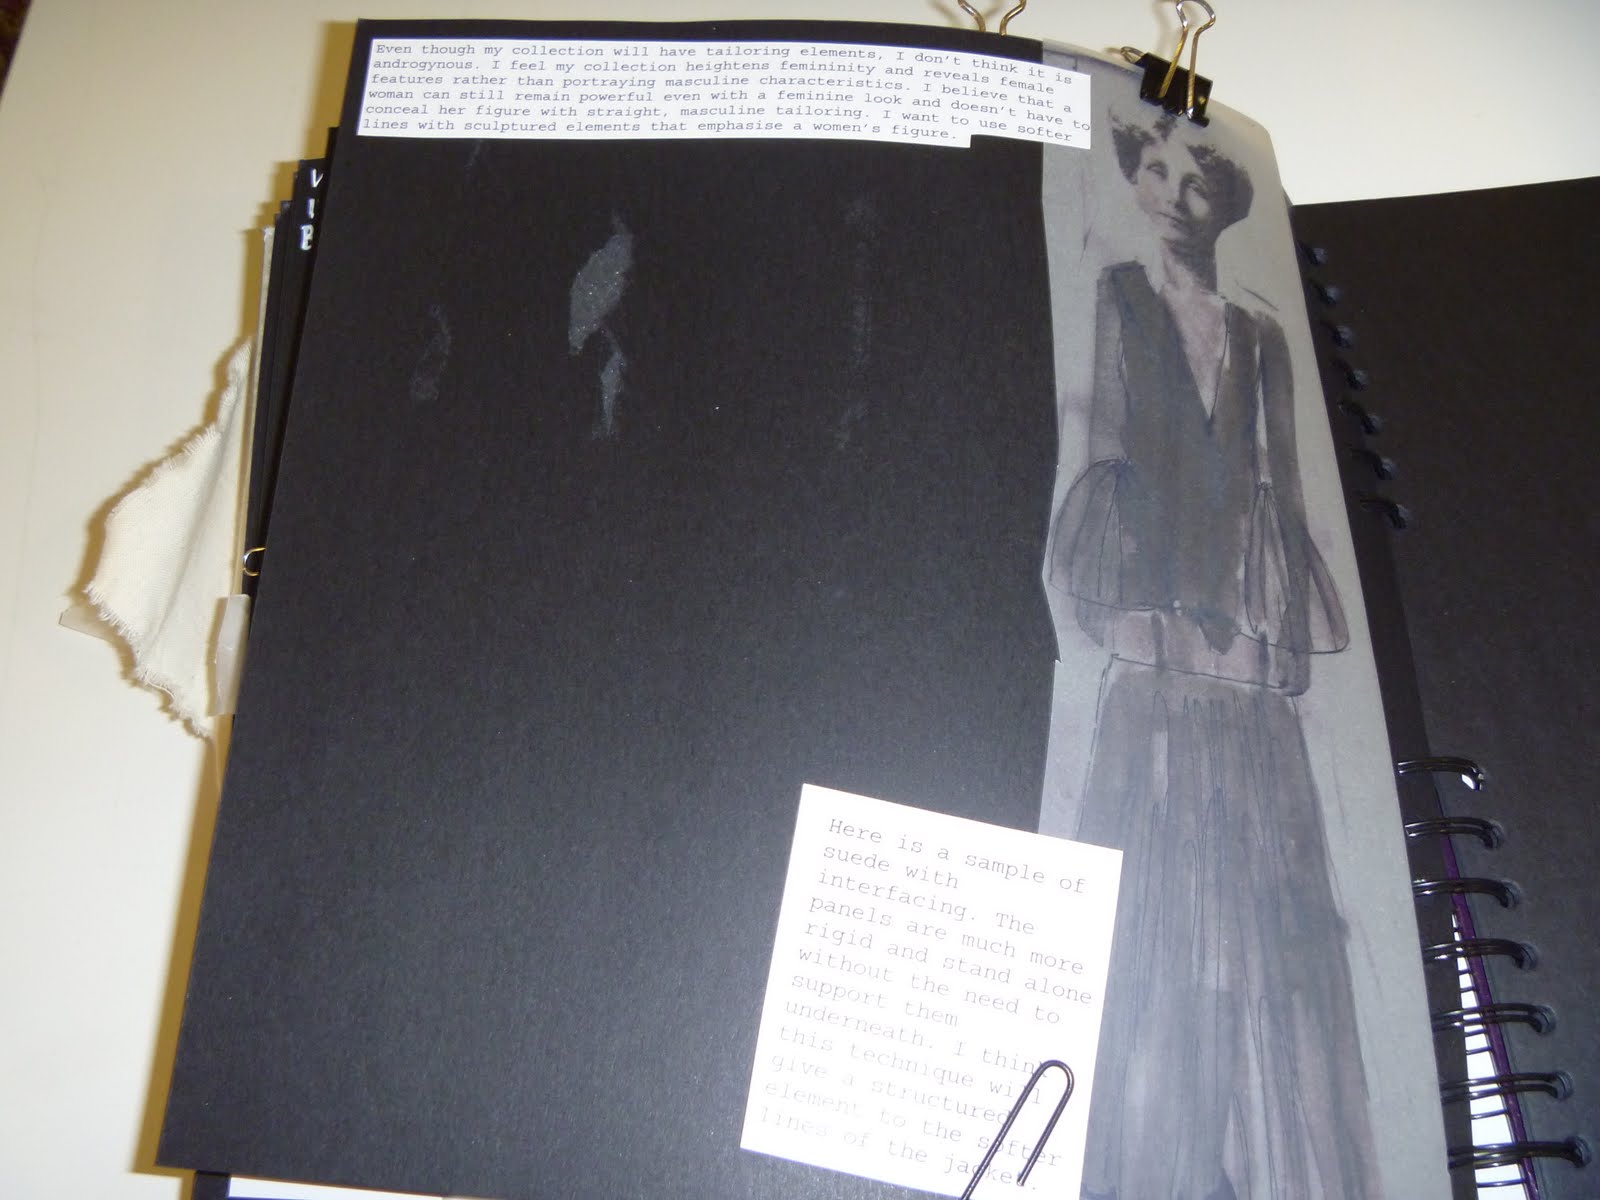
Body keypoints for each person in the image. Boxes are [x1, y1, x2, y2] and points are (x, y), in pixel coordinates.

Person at [1052, 113, 1379, 1199]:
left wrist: (1272, 635)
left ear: (1229, 203)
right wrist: (1132, 618)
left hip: (1238, 660)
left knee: (1258, 940)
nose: (1171, 194)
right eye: (1153, 171)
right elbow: (1104, 461)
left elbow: (1282, 485)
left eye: (1194, 180)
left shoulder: (1260, 335)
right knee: (1149, 938)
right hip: (1151, 653)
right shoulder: (1120, 299)